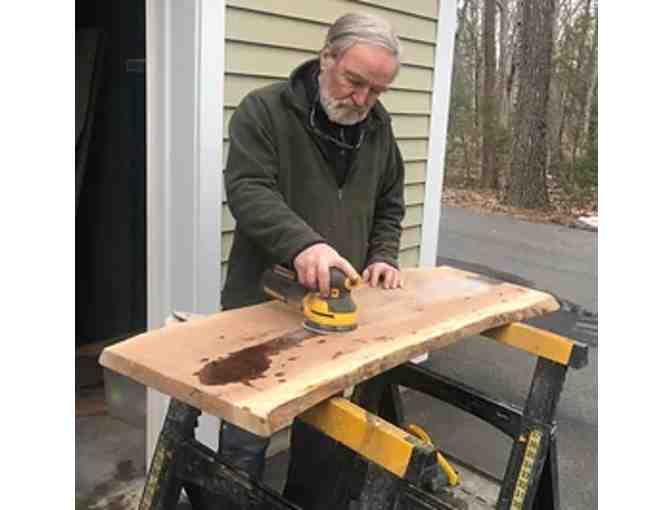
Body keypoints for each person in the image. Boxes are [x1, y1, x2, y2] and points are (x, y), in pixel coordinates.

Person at [218, 11, 406, 480]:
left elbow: (389, 203)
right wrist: (305, 245)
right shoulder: (262, 111)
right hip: (259, 306)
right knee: (244, 439)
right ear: (327, 58)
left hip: (337, 318)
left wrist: (383, 254)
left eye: (377, 91)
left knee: (325, 438)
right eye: (354, 81)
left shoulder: (379, 130)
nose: (362, 99)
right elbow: (249, 189)